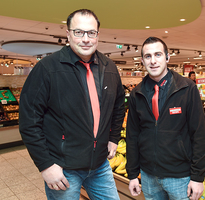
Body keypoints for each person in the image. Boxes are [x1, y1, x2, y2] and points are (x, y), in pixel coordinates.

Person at [19, 9, 125, 200]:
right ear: (68, 34)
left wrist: (114, 137)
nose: (86, 39)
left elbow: (118, 105)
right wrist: (45, 165)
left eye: (91, 33)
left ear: (98, 35)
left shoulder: (109, 67)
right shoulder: (47, 68)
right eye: (79, 32)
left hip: (100, 164)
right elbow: (29, 122)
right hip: (63, 168)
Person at [126, 37, 205, 200]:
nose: (153, 61)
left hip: (180, 177)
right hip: (148, 176)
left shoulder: (186, 88)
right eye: (148, 56)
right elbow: (132, 136)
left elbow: (199, 134)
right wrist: (132, 174)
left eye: (158, 54)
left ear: (167, 57)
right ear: (142, 61)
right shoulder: (137, 94)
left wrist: (198, 177)